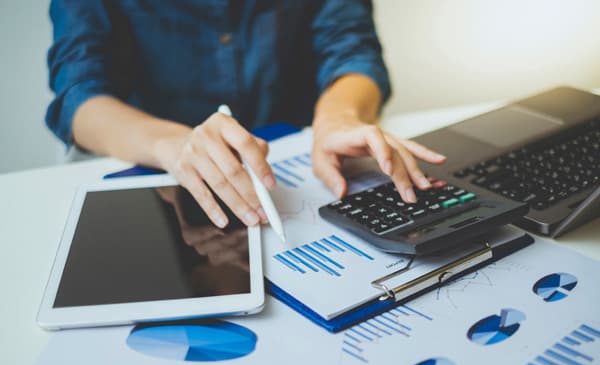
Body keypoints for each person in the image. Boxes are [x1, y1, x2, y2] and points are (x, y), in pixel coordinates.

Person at [46, 0, 446, 229]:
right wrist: (175, 144)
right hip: (155, 176)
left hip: (298, 165)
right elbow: (79, 96)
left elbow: (353, 51)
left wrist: (338, 117)